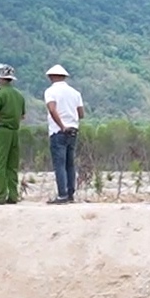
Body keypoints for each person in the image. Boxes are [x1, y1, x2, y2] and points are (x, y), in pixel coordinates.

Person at [43, 64, 84, 203]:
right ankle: (71, 194)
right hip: (73, 129)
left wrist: (61, 125)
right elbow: (81, 113)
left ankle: (62, 194)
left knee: (59, 164)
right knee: (70, 163)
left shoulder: (50, 92)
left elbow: (52, 109)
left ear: (52, 76)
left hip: (58, 130)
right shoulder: (75, 93)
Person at [0, 64, 26, 205]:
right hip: (15, 132)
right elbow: (22, 116)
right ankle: (13, 195)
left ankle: (0, 196)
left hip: (1, 130)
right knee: (12, 165)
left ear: (1, 78)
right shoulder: (19, 96)